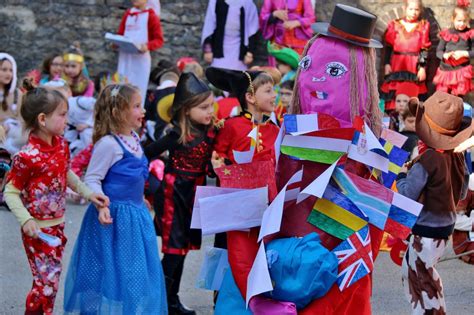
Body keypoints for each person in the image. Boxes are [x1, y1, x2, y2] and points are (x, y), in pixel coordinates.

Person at [3, 80, 108, 315]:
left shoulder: (61, 145)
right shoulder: (26, 157)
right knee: (45, 285)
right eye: (62, 115)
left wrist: (89, 194)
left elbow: (65, 172)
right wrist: (26, 220)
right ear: (42, 119)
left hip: (57, 227)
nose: (67, 120)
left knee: (51, 282)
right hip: (37, 231)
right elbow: (10, 192)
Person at [63, 84, 168, 314]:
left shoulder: (133, 138)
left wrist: (140, 197)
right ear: (117, 112)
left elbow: (133, 176)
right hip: (111, 219)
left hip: (135, 218)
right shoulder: (109, 144)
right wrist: (100, 204)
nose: (143, 111)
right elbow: (92, 178)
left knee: (133, 276)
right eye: (136, 106)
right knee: (105, 274)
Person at [206, 67, 279, 310]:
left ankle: (254, 299)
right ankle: (220, 300)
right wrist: (220, 165)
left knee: (255, 253)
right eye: (268, 91)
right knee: (225, 251)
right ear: (250, 97)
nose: (274, 95)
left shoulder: (276, 131)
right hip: (233, 205)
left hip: (263, 205)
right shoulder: (232, 126)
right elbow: (218, 158)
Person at [144, 73, 215, 315]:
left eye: (211, 105)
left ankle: (171, 302)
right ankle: (158, 303)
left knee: (183, 251)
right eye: (204, 107)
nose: (210, 111)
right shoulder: (176, 135)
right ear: (186, 110)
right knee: (173, 252)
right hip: (174, 194)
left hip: (195, 196)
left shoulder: (211, 132)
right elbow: (147, 152)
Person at [397, 91, 470, 314]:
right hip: (444, 227)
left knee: (423, 280)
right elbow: (463, 191)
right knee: (415, 273)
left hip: (425, 229)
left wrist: (401, 176)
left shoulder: (428, 158)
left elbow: (407, 194)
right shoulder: (455, 155)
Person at [380, 0, 431, 111]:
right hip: (397, 63)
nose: (414, 12)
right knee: (395, 90)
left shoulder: (423, 26)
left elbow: (424, 48)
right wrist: (387, 64)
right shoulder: (395, 25)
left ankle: (410, 118)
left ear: (420, 10)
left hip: (414, 64)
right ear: (405, 9)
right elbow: (388, 47)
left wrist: (422, 67)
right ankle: (393, 117)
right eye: (411, 9)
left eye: (416, 9)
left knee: (412, 90)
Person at [117, 0, 164, 106]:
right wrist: (116, 43)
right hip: (125, 58)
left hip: (140, 60)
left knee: (138, 89)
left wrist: (147, 46)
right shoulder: (128, 14)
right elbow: (120, 33)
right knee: (122, 87)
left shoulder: (151, 16)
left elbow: (158, 39)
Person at [201, 0, 260, 71]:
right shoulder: (215, 1)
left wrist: (250, 53)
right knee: (218, 76)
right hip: (219, 49)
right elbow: (209, 25)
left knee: (237, 77)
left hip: (239, 50)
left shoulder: (247, 3)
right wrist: (208, 50)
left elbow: (252, 28)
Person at [433, 0, 473, 96]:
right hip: (446, 71)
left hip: (461, 72)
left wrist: (464, 53)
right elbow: (438, 51)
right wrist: (445, 55)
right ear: (453, 19)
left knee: (458, 97)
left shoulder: (470, 34)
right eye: (459, 21)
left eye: (464, 21)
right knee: (444, 97)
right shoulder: (447, 33)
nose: (462, 24)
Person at [0, 53, 25, 155]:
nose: (8, 74)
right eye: (4, 69)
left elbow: (22, 119)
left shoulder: (17, 94)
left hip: (15, 135)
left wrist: (9, 125)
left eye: (11, 70)